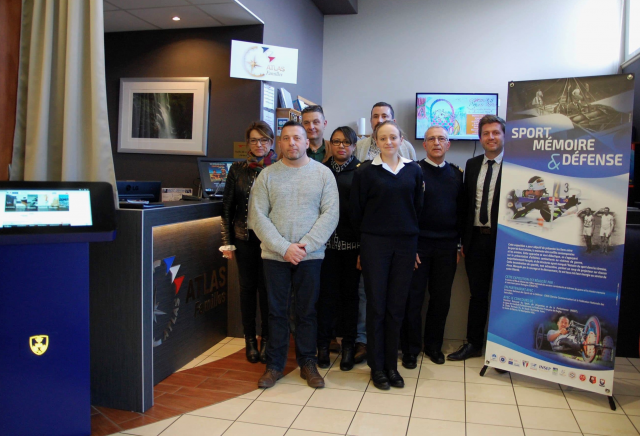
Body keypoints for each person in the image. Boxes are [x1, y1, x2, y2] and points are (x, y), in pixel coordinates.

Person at [248, 120, 339, 389]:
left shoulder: (323, 174)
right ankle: (274, 366)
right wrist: (284, 247)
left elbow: (330, 214)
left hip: (310, 257)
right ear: (280, 143)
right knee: (276, 312)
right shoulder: (267, 176)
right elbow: (257, 217)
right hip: (275, 257)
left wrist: (305, 246)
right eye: (286, 138)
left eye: (297, 138)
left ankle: (307, 363)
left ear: (306, 141)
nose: (291, 143)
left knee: (307, 312)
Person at [351, 120, 424, 390]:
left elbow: (418, 208)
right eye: (383, 138)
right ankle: (376, 366)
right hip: (375, 245)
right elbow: (357, 212)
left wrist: (412, 244)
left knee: (396, 308)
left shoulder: (413, 171)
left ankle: (392, 366)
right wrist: (364, 245)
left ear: (401, 139)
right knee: (377, 307)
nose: (389, 142)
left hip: (405, 245)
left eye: (393, 137)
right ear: (376, 140)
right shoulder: (365, 172)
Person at [400, 126, 464, 367]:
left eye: (441, 139)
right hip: (419, 246)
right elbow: (408, 212)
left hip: (447, 247)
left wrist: (458, 246)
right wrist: (412, 246)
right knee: (413, 299)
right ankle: (410, 349)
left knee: (441, 299)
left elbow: (461, 213)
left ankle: (434, 346)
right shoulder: (413, 171)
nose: (436, 142)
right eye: (431, 139)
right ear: (424, 145)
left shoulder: (457, 175)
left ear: (448, 145)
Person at [448, 115, 505, 362]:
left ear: (504, 136)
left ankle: (504, 350)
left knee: (505, 296)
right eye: (486, 133)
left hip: (505, 242)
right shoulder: (471, 165)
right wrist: (461, 241)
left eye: (496, 132)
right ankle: (474, 344)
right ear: (480, 137)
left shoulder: (517, 166)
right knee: (478, 295)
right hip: (476, 241)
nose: (491, 137)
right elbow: (463, 207)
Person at [220, 121, 277, 364]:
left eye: (264, 140)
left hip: (270, 239)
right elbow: (227, 208)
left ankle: (267, 340)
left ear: (272, 142)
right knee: (247, 290)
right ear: (248, 144)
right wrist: (227, 242)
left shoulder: (278, 169)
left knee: (267, 290)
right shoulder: (237, 170)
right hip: (244, 238)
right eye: (254, 140)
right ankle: (249, 341)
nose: (259, 145)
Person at [316, 126, 362, 371]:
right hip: (324, 246)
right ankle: (322, 345)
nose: (341, 146)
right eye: (336, 142)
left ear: (354, 146)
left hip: (352, 247)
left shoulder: (362, 172)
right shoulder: (321, 171)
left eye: (346, 142)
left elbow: (366, 213)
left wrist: (363, 249)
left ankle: (348, 347)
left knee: (350, 299)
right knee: (325, 297)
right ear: (330, 145)